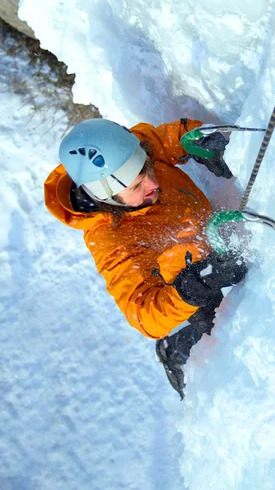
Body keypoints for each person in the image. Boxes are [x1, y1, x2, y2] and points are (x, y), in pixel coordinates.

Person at [44, 118, 247, 398]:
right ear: (108, 197)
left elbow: (162, 140)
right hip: (187, 283)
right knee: (229, 323)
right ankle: (174, 351)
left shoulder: (128, 153)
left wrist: (194, 139)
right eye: (137, 184)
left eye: (147, 168)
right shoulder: (112, 240)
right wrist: (190, 290)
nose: (153, 182)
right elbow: (142, 314)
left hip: (208, 242)